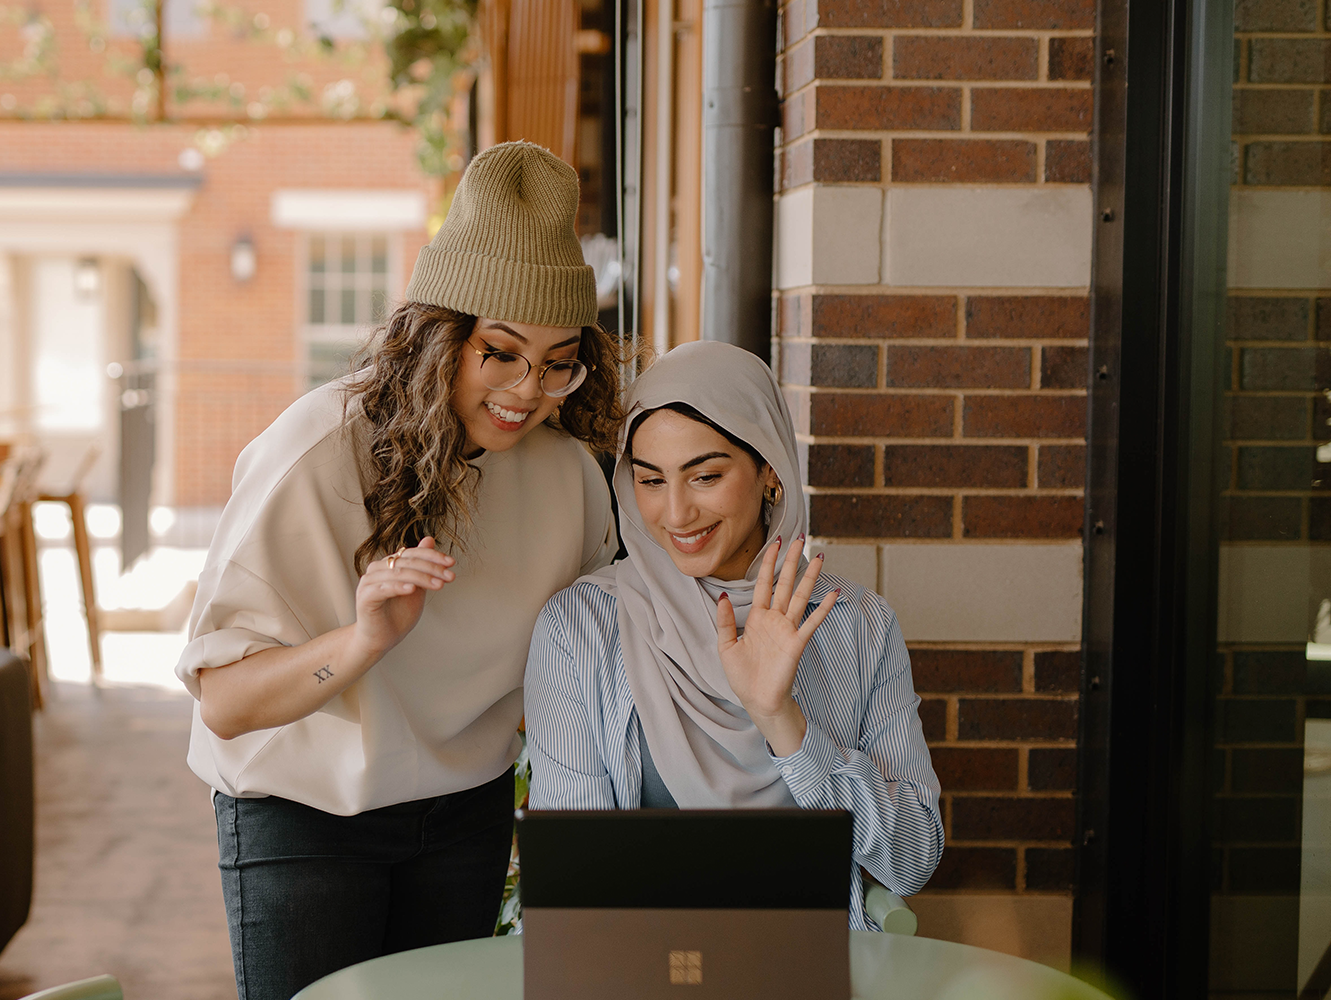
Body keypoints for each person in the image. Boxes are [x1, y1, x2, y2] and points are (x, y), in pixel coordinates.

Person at [176, 141, 623, 1000]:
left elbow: (575, 669)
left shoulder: (567, 476)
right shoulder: (315, 453)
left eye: (558, 360)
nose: (528, 391)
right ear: (437, 335)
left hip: (466, 815)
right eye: (500, 351)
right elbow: (225, 703)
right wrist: (363, 642)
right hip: (303, 817)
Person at [524, 340, 943, 927]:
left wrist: (781, 720)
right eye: (650, 481)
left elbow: (913, 863)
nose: (675, 513)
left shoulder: (857, 626)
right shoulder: (583, 628)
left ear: (769, 467)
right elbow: (571, 880)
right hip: (635, 969)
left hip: (808, 970)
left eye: (706, 476)